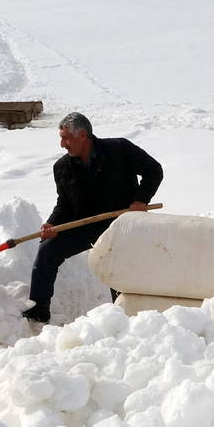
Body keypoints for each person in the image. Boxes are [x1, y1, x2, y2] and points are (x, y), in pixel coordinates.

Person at [22, 112, 163, 322]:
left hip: (121, 224)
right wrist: (53, 223)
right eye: (61, 138)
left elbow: (154, 171)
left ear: (83, 136)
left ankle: (120, 316)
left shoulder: (120, 150)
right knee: (47, 250)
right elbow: (65, 203)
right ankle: (39, 307)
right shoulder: (62, 168)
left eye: (66, 138)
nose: (62, 144)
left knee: (115, 265)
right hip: (87, 226)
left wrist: (140, 200)